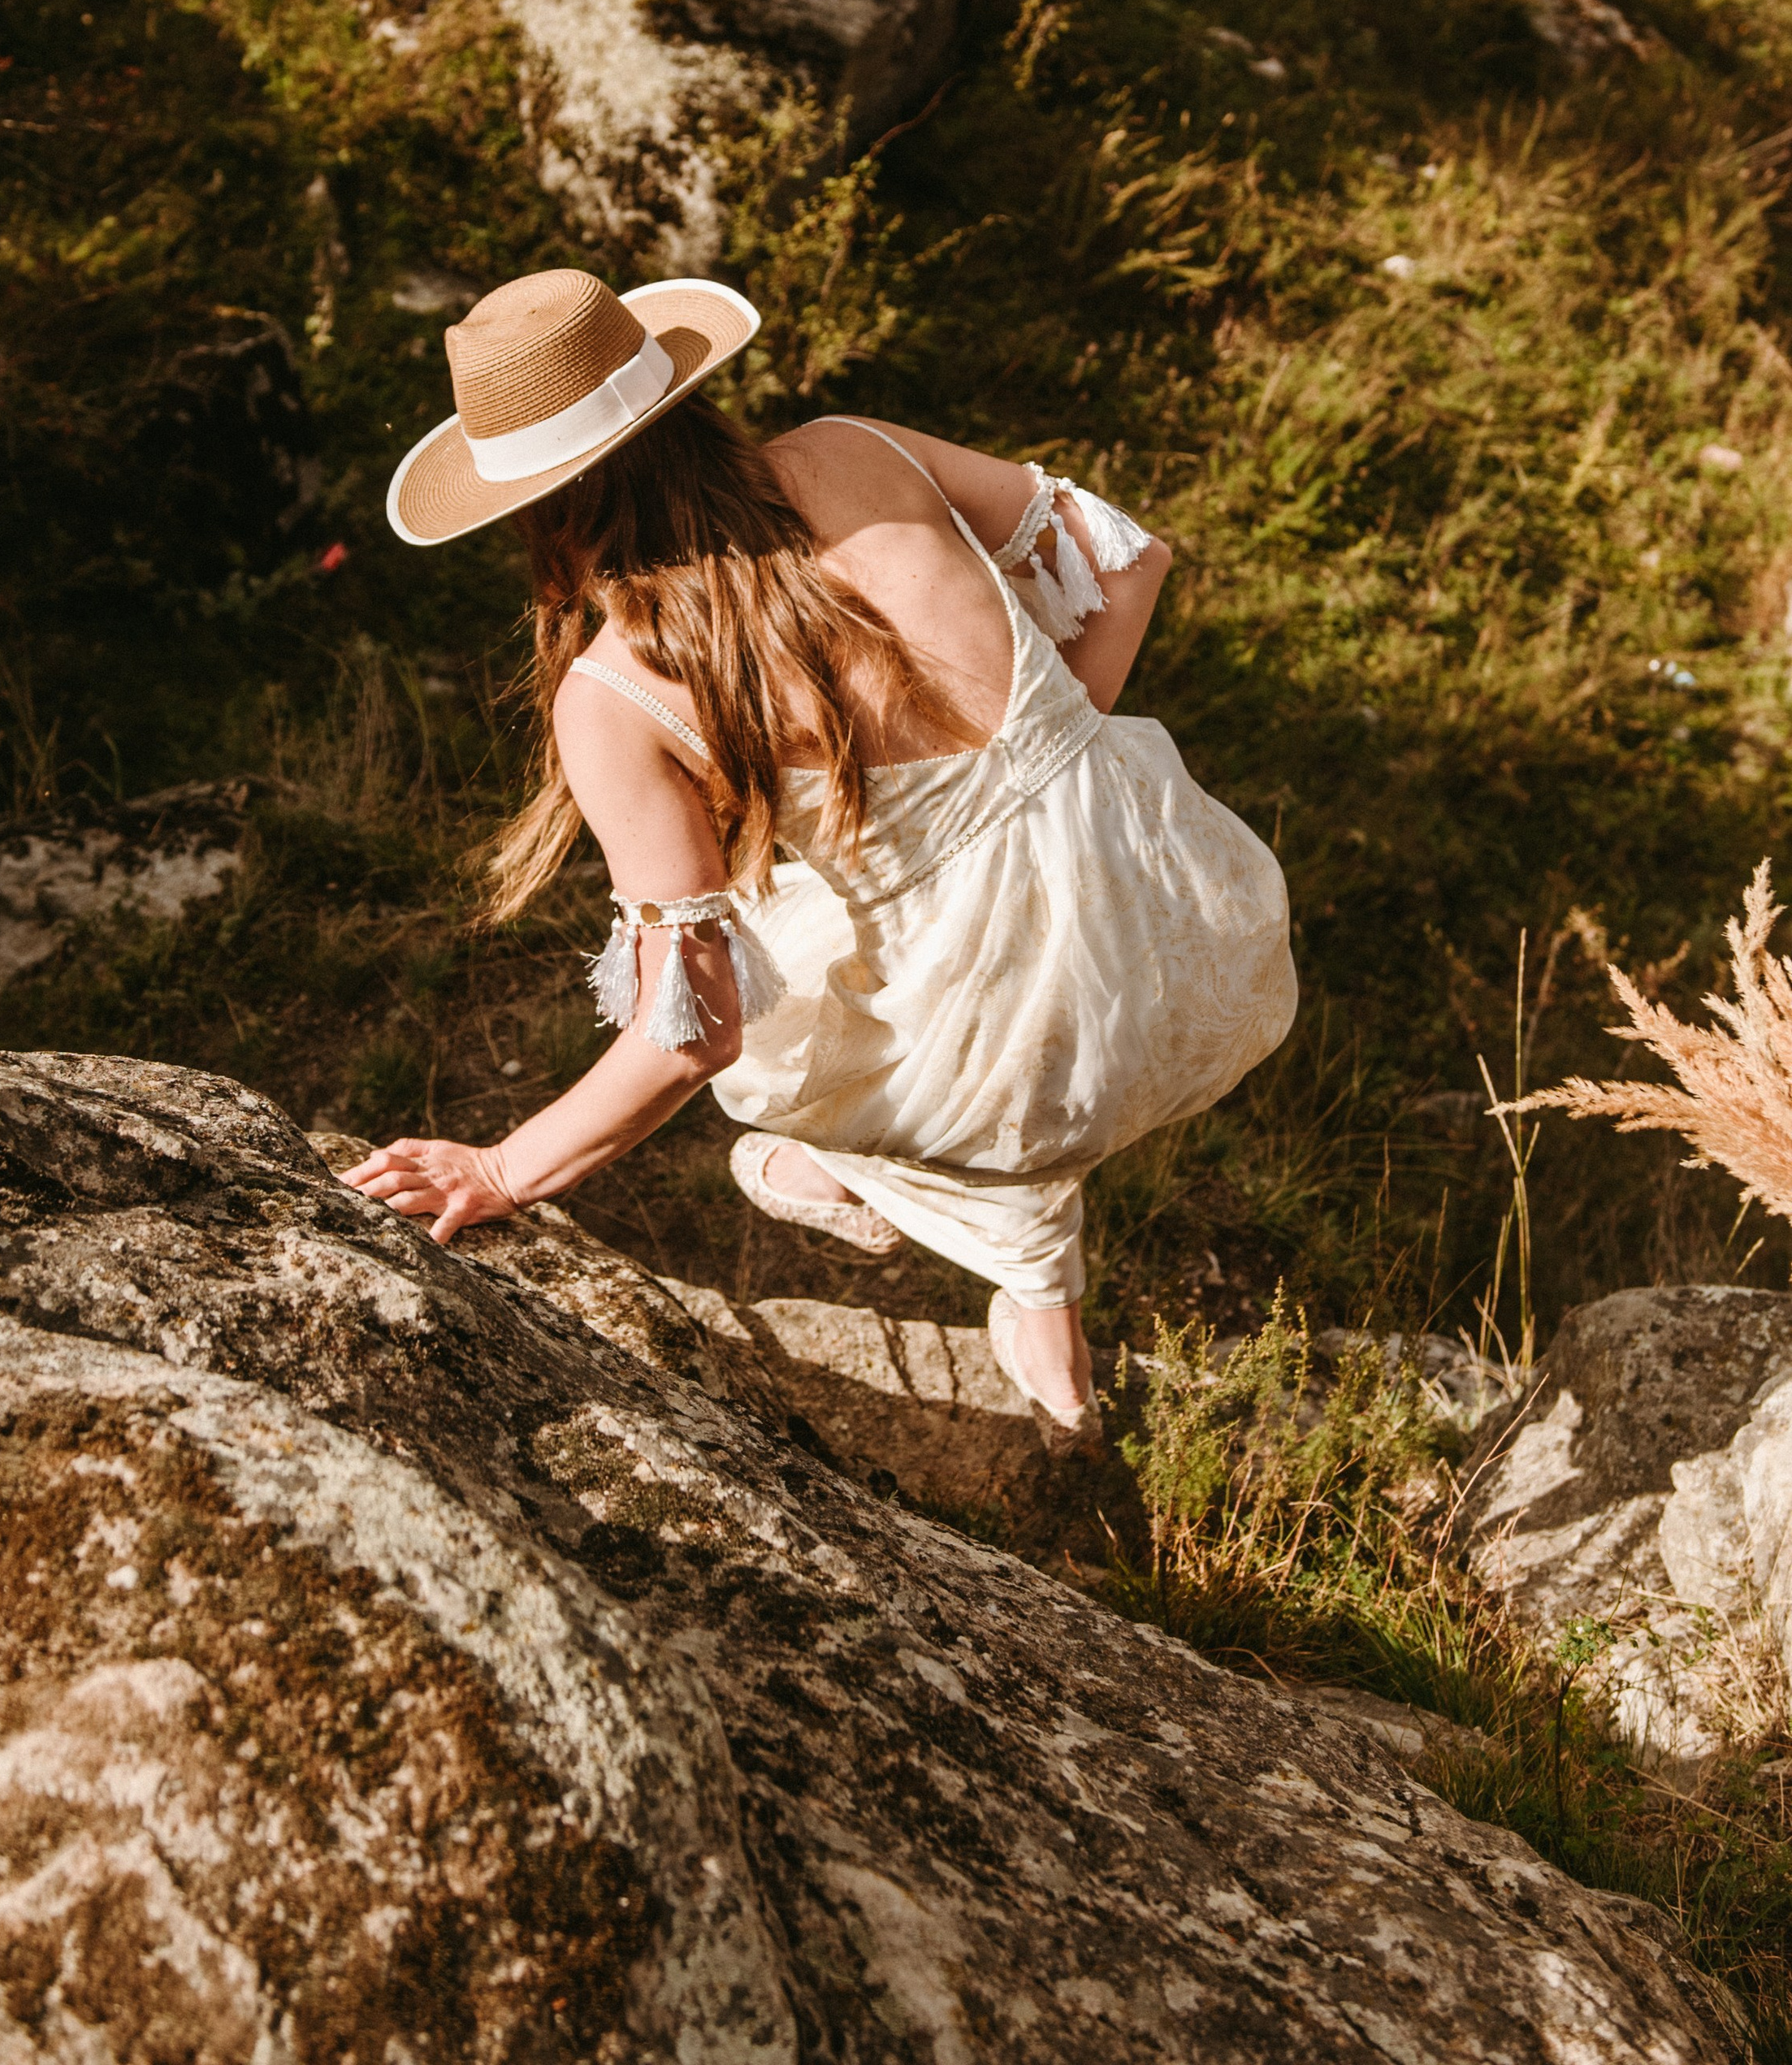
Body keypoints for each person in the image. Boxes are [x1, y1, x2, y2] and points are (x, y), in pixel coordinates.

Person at [346, 265, 1296, 1431]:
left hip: (1013, 1061)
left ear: (534, 503)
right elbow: (1129, 560)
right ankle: (1043, 1308)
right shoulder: (862, 448)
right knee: (1018, 965)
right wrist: (1055, 762)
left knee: (849, 1026)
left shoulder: (618, 693)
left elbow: (691, 1031)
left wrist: (502, 1169)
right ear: (673, 392)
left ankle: (877, 1191)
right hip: (1189, 914)